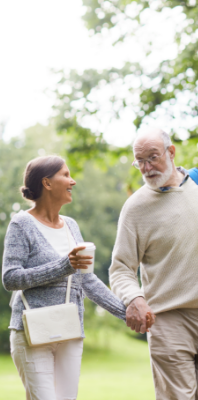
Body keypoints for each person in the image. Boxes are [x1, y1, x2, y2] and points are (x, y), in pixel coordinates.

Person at [2, 155, 126, 400]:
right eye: (66, 175)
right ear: (47, 183)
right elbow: (10, 278)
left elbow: (87, 280)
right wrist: (63, 265)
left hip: (69, 330)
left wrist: (125, 312)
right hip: (31, 333)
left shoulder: (71, 225)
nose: (73, 181)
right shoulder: (21, 224)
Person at [109, 128, 198, 400]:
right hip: (169, 318)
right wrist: (134, 297)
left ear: (171, 153)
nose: (147, 168)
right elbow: (121, 268)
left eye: (153, 158)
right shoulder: (135, 208)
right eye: (140, 161)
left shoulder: (196, 184)